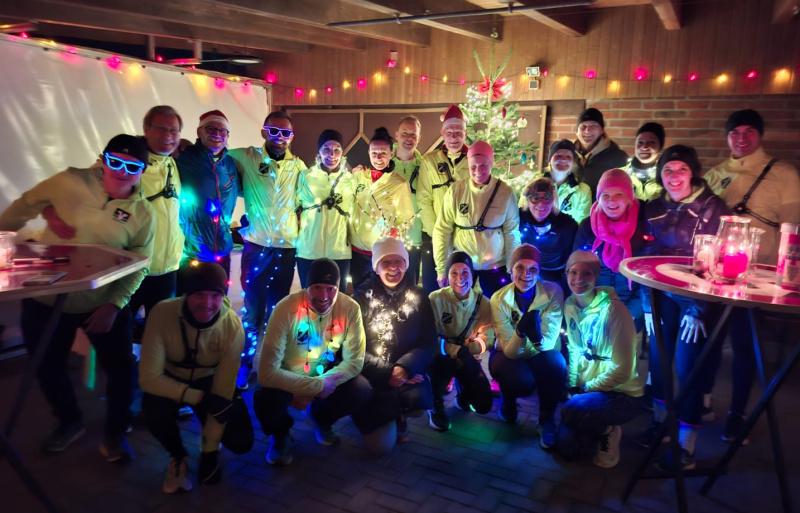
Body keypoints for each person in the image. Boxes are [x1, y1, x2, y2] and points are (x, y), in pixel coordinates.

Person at [0, 134, 155, 461]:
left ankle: (115, 434)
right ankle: (69, 420)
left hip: (103, 302)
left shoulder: (144, 213)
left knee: (121, 370)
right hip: (47, 298)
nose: (122, 171)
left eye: (132, 167)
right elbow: (25, 204)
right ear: (103, 160)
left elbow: (140, 263)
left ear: (143, 170)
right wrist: (25, 225)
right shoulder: (70, 180)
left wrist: (114, 306)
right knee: (46, 366)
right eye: (115, 162)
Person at [42, 106, 184, 336]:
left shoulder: (171, 163)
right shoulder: (119, 163)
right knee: (115, 337)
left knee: (160, 335)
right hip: (128, 270)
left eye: (174, 130)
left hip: (167, 269)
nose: (168, 135)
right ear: (146, 129)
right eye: (161, 128)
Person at [703, 109, 800, 443]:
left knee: (745, 346)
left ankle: (738, 413)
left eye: (749, 131)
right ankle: (703, 399)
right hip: (717, 274)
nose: (741, 138)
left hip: (758, 277)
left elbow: (793, 228)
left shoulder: (783, 174)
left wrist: (787, 276)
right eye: (735, 132)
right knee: (710, 341)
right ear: (727, 136)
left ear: (760, 134)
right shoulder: (716, 174)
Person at [635, 145, 728, 470]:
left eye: (681, 170)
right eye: (668, 170)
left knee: (688, 366)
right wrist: (647, 303)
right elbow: (643, 257)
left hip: (694, 298)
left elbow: (717, 260)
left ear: (693, 172)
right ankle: (661, 424)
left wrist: (698, 307)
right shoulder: (653, 207)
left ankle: (686, 444)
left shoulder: (712, 208)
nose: (674, 177)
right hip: (659, 295)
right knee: (658, 360)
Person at [139, 262, 253, 492]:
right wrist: (199, 398)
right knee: (154, 411)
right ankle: (178, 456)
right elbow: (149, 378)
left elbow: (222, 391)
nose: (207, 303)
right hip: (170, 378)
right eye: (199, 294)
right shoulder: (162, 313)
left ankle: (209, 443)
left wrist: (209, 454)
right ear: (186, 295)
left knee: (241, 440)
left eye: (215, 295)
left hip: (209, 380)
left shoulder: (232, 326)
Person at [254, 259, 370, 465]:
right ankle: (280, 434)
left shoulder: (350, 308)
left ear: (338, 288)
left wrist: (318, 386)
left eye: (330, 289)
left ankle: (321, 418)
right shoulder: (285, 309)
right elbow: (266, 372)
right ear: (307, 286)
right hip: (287, 377)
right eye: (317, 287)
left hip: (324, 374)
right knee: (264, 396)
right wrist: (313, 387)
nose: (324, 296)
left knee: (361, 389)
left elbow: (354, 361)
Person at [228, 111, 307, 387]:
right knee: (252, 312)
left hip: (285, 250)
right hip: (256, 247)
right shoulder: (246, 157)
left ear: (292, 137)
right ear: (264, 131)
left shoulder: (299, 167)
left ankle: (272, 365)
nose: (279, 137)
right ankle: (244, 364)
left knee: (276, 311)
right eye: (274, 131)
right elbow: (215, 155)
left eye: (285, 133)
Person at [558, 251, 642, 468]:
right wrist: (573, 385)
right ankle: (590, 424)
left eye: (587, 273)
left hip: (621, 392)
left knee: (572, 411)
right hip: (589, 386)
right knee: (566, 450)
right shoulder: (569, 305)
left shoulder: (615, 310)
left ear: (596, 277)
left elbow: (623, 369)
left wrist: (587, 388)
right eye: (573, 272)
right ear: (566, 274)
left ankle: (608, 430)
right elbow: (575, 350)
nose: (579, 279)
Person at [351, 237, 437, 452]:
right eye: (386, 262)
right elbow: (353, 349)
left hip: (404, 374)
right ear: (376, 267)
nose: (393, 267)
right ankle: (372, 413)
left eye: (398, 261)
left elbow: (429, 340)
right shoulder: (361, 298)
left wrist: (406, 367)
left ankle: (399, 415)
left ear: (406, 264)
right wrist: (389, 371)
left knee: (419, 398)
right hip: (372, 376)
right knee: (379, 448)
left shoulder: (418, 295)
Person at [489, 244, 566, 450]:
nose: (526, 274)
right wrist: (521, 331)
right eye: (520, 267)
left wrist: (534, 337)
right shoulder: (498, 299)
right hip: (509, 354)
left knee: (556, 364)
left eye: (533, 268)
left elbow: (549, 341)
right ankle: (508, 403)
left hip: (542, 351)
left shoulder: (553, 292)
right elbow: (510, 351)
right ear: (511, 270)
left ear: (539, 272)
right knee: (520, 379)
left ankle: (546, 420)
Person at [433, 140, 520, 298]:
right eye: (473, 166)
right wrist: (441, 269)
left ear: (491, 163)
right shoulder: (456, 191)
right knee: (460, 307)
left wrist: (511, 267)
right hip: (463, 266)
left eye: (483, 165)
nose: (478, 171)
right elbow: (442, 230)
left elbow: (512, 232)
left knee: (496, 307)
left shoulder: (505, 192)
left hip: (495, 266)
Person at [573, 169, 647, 335]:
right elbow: (576, 271)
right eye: (605, 195)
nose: (611, 200)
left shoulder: (643, 226)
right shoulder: (587, 227)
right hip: (594, 305)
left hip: (632, 308)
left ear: (629, 197)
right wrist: (590, 308)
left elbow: (647, 280)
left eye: (619, 194)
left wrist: (629, 313)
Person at [428, 252, 494, 431]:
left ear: (472, 275)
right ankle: (435, 404)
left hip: (467, 356)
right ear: (447, 276)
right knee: (439, 365)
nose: (460, 279)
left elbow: (488, 337)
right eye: (454, 273)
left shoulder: (483, 303)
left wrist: (470, 350)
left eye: (465, 272)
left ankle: (463, 395)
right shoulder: (435, 299)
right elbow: (430, 338)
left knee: (483, 405)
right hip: (442, 356)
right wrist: (456, 351)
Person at [176, 110, 241, 281]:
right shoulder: (183, 157)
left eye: (222, 131)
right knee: (190, 296)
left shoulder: (230, 163)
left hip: (223, 250)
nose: (217, 134)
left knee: (220, 295)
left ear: (228, 135)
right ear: (199, 132)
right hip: (192, 252)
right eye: (210, 129)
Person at [350, 127, 414, 288]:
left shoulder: (399, 183)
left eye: (383, 153)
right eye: (374, 153)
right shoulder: (359, 177)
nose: (378, 158)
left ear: (391, 154)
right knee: (360, 294)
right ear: (368, 153)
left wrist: (397, 232)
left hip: (384, 254)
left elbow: (407, 219)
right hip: (357, 252)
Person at [418, 105, 471, 291]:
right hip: (433, 236)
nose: (454, 137)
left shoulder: (473, 160)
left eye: (458, 132)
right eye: (449, 133)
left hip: (464, 237)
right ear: (442, 133)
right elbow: (423, 199)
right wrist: (437, 232)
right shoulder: (429, 161)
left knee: (461, 288)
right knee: (433, 289)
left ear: (465, 133)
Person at [295, 129, 354, 291]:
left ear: (342, 153)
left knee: (338, 297)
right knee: (308, 296)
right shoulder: (305, 177)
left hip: (339, 251)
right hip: (309, 250)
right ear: (319, 152)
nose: (331, 155)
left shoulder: (350, 180)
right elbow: (293, 206)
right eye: (326, 149)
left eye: (337, 150)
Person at [519, 177, 578, 293]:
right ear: (528, 200)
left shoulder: (567, 225)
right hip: (525, 274)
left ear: (553, 200)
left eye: (547, 198)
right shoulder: (518, 218)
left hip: (556, 278)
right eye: (535, 198)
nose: (541, 204)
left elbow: (572, 260)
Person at [393, 116, 432, 289]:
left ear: (419, 138)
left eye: (413, 135)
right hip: (388, 239)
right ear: (396, 135)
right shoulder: (384, 163)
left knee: (410, 291)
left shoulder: (426, 167)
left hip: (415, 240)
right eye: (405, 133)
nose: (409, 138)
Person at [573, 108, 629, 197]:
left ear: (602, 130)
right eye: (583, 126)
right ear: (577, 131)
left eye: (593, 125)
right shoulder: (567, 155)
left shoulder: (618, 157)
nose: (587, 130)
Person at [540, 139, 592, 224]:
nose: (564, 159)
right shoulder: (535, 185)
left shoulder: (583, 190)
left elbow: (581, 224)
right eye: (558, 155)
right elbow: (524, 212)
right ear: (550, 160)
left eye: (568, 156)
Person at [624, 122, 666, 201]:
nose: (644, 147)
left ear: (660, 147)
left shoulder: (665, 176)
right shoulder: (621, 173)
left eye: (651, 142)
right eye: (640, 142)